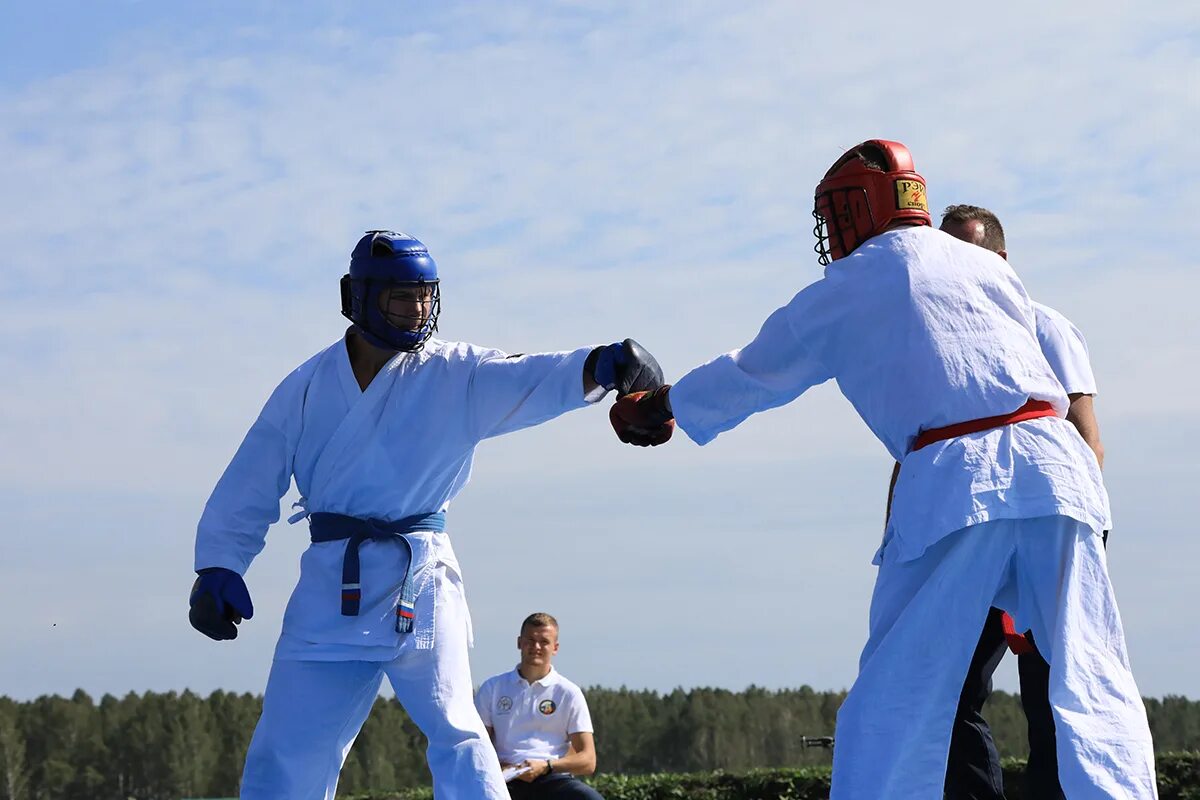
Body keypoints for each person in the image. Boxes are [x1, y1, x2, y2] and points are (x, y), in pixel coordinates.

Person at [609, 141, 1157, 798]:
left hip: (959, 482)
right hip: (1060, 474)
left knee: (897, 703)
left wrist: (666, 407)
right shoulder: (988, 269)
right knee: (1096, 684)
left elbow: (754, 369)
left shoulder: (856, 280)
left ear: (853, 209)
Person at [188, 230, 664, 799]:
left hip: (421, 583)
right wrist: (220, 563)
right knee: (286, 747)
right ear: (357, 297)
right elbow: (252, 477)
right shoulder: (307, 385)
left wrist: (600, 365)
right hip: (329, 587)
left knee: (459, 734)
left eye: (423, 295)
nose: (416, 310)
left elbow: (528, 376)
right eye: (399, 297)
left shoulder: (454, 372)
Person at [937, 204, 1103, 800]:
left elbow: (1087, 441)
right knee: (950, 687)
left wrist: (1079, 541)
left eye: (965, 253)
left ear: (1001, 261)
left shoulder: (1045, 327)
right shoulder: (942, 339)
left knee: (1052, 687)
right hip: (970, 523)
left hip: (1045, 522)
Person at [475, 613, 604, 800]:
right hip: (504, 779)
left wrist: (546, 765)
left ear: (555, 647)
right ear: (519, 642)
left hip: (554, 778)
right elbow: (477, 747)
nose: (536, 647)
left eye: (544, 641)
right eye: (530, 640)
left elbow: (588, 760)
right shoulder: (492, 688)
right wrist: (503, 768)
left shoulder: (568, 692)